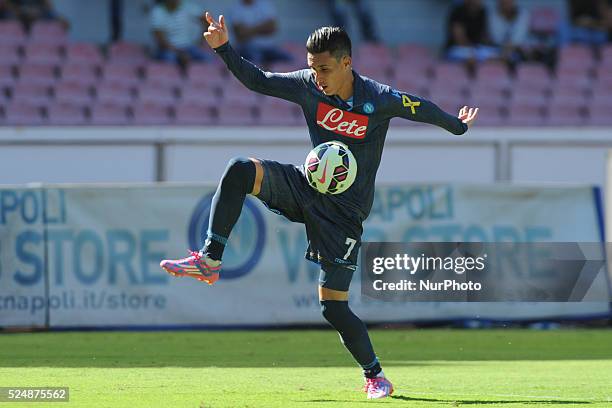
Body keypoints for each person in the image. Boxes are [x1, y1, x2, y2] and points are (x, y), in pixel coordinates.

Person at [160, 11, 478, 400]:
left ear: (347, 62)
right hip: (307, 186)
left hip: (344, 214)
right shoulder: (307, 86)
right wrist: (223, 48)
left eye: (324, 68)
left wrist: (457, 125)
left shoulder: (378, 99)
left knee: (333, 308)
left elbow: (421, 107)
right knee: (240, 169)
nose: (317, 77)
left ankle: (375, 376)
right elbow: (258, 80)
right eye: (312, 68)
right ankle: (210, 260)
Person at [229, 0, 291, 65]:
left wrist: (248, 31)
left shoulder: (265, 4)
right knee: (256, 64)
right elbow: (240, 35)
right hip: (247, 49)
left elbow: (272, 27)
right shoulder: (235, 8)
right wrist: (263, 28)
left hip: (269, 48)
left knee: (289, 60)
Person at [151, 0, 210, 65]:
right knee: (170, 61)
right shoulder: (158, 11)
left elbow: (208, 22)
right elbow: (160, 40)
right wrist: (180, 53)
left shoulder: (188, 6)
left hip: (189, 47)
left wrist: (200, 43)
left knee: (208, 59)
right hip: (168, 50)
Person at [488, 0, 530, 66]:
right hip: (498, 49)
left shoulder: (523, 13)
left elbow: (518, 38)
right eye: (503, 1)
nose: (506, 2)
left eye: (508, 1)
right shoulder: (492, 14)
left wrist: (507, 51)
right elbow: (496, 37)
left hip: (518, 49)